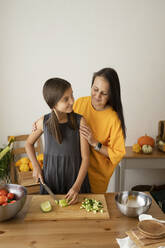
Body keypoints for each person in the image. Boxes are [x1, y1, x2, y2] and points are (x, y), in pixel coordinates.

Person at [25, 78, 90, 205]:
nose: (72, 101)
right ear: (53, 104)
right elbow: (28, 144)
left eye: (72, 95)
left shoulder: (80, 121)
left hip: (76, 182)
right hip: (51, 181)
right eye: (66, 99)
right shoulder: (43, 122)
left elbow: (86, 158)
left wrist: (76, 187)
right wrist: (36, 166)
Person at [73, 68, 126, 193]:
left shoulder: (113, 119)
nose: (97, 96)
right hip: (74, 171)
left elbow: (118, 153)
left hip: (96, 178)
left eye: (104, 93)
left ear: (112, 94)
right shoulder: (80, 103)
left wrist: (95, 143)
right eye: (95, 89)